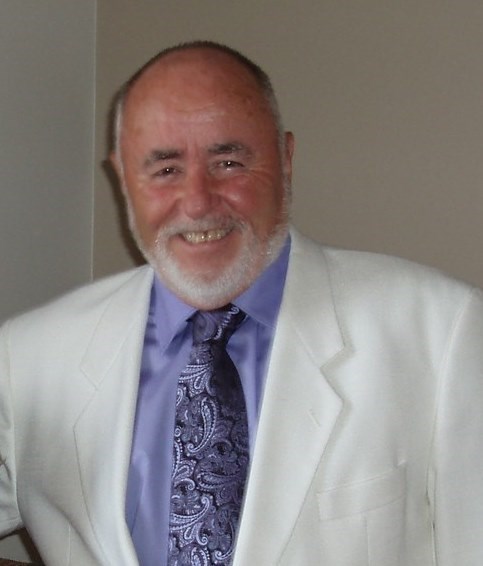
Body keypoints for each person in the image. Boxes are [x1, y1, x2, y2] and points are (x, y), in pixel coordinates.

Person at [1, 40, 483, 566]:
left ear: (285, 159)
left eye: (228, 162)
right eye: (165, 169)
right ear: (123, 179)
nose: (198, 202)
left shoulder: (443, 332)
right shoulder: (29, 357)